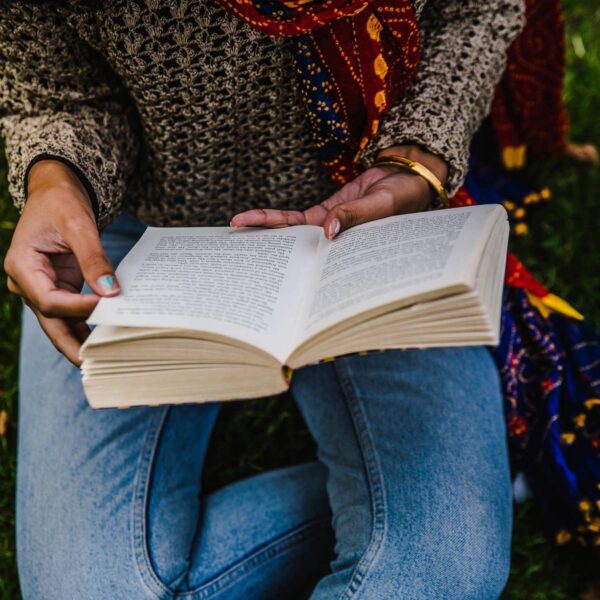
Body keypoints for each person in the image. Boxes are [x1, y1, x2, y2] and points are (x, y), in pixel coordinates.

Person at [0, 1, 525, 598]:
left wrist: (417, 159)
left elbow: (475, 11)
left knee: (441, 573)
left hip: (369, 218)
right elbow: (57, 94)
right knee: (87, 590)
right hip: (129, 230)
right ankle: (455, 480)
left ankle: (435, 491)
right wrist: (57, 181)